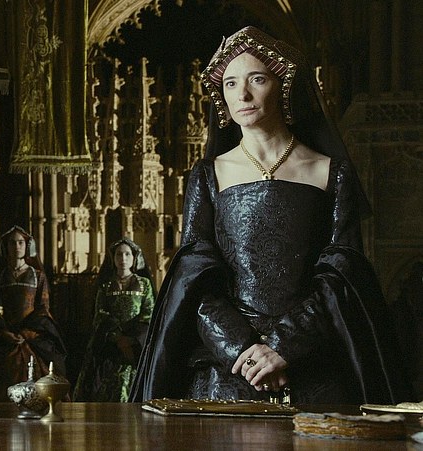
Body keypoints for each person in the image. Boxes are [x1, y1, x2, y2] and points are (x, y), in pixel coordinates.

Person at [130, 26, 409, 405]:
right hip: (227, 370)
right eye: (230, 83)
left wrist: (282, 347)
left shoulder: (332, 171)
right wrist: (242, 349)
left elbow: (340, 274)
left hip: (314, 365)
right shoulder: (209, 174)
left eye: (256, 79)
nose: (241, 95)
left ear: (284, 86)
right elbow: (195, 279)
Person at [0, 225, 67, 400]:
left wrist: (26, 334)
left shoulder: (38, 276)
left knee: (46, 371)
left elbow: (43, 309)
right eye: (12, 243)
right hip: (6, 335)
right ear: (6, 247)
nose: (17, 246)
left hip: (33, 335)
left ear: (27, 246)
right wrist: (3, 333)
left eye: (20, 242)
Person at [73, 238, 155, 402]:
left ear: (134, 258)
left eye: (127, 254)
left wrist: (130, 340)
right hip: (109, 344)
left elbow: (149, 312)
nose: (123, 258)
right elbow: (100, 313)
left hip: (135, 347)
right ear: (113, 258)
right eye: (119, 254)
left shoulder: (144, 284)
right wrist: (117, 337)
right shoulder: (105, 286)